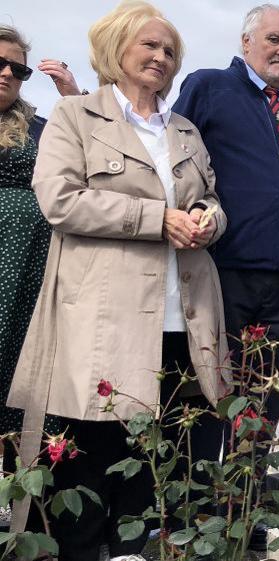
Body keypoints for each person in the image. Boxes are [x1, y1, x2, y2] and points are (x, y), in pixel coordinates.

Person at [6, 2, 229, 556]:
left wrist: (208, 220)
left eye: (170, 50)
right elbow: (59, 201)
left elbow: (212, 201)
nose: (161, 56)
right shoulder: (75, 116)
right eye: (149, 45)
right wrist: (156, 220)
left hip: (184, 321)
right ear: (116, 49)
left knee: (152, 473)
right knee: (90, 464)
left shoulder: (184, 130)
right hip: (104, 324)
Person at [172, 4, 279, 439]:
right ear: (246, 42)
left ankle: (247, 496)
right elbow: (178, 159)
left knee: (267, 393)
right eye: (274, 39)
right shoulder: (209, 86)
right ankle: (200, 501)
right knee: (211, 387)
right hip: (223, 264)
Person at [0, 25, 81, 477]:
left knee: (27, 375)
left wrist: (71, 94)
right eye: (0, 63)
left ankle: (28, 501)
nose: (8, 74)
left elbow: (90, 147)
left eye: (19, 68)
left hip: (34, 268)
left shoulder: (40, 126)